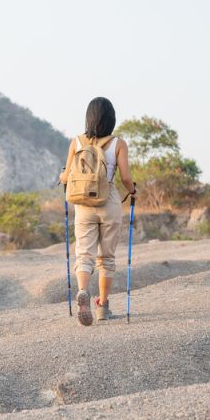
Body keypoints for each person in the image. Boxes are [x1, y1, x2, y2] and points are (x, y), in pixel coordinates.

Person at [59, 97, 136, 325]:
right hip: (108, 201)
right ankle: (102, 307)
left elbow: (67, 176)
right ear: (111, 119)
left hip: (83, 203)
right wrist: (133, 191)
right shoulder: (118, 144)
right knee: (107, 258)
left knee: (84, 254)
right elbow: (126, 177)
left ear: (88, 117)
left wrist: (62, 176)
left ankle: (83, 290)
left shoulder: (76, 142)